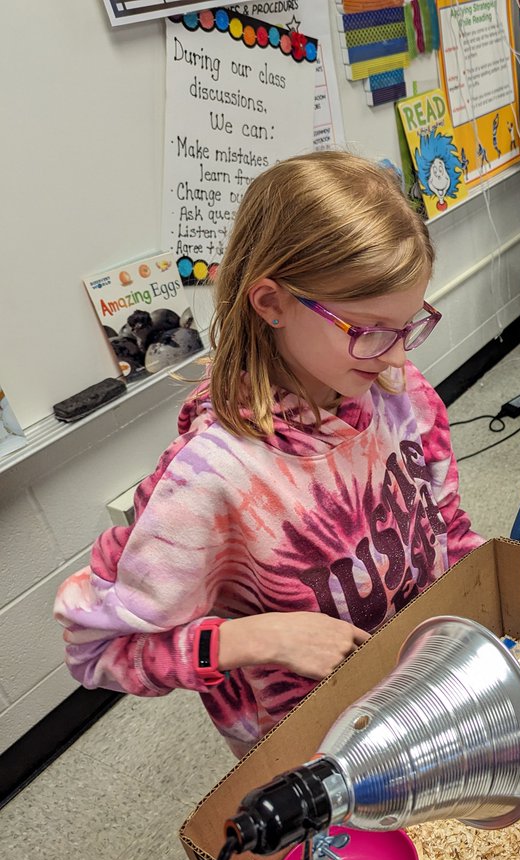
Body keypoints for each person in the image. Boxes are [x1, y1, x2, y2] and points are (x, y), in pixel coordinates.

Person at [54, 151, 484, 758]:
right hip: (313, 752)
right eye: (368, 330)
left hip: (423, 699)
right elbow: (95, 648)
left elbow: (447, 529)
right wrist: (255, 638)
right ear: (271, 304)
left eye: (409, 325)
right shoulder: (210, 476)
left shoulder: (400, 393)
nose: (394, 357)